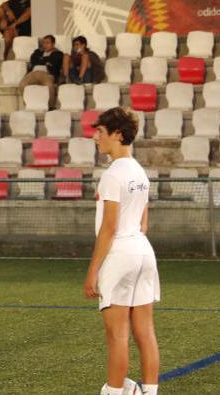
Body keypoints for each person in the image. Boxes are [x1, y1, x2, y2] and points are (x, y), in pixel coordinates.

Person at [84, 108, 160, 395]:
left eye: (100, 132)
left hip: (119, 255)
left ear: (117, 135)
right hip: (143, 251)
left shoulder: (113, 174)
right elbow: (144, 221)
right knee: (145, 332)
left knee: (117, 336)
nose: (95, 138)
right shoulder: (139, 171)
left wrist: (93, 271)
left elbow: (109, 229)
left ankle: (115, 391)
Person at [19, 35, 64, 108]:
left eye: (47, 43)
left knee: (50, 86)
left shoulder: (58, 53)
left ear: (53, 44)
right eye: (44, 43)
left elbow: (55, 63)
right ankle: (28, 105)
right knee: (22, 84)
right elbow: (33, 60)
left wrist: (41, 59)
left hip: (47, 73)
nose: (45, 45)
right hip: (34, 73)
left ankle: (51, 106)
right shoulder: (38, 51)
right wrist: (46, 60)